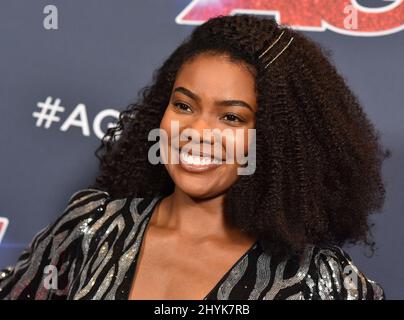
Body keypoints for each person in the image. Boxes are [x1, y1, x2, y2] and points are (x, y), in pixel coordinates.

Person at [0, 14, 389, 300]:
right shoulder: (90, 229)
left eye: (232, 117)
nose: (197, 133)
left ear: (273, 141)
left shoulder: (317, 282)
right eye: (184, 106)